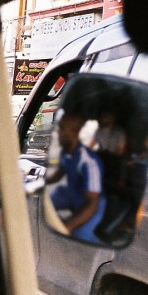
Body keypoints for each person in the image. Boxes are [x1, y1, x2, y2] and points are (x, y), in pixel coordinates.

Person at [45, 103, 106, 243]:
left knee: (81, 236)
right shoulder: (65, 151)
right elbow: (61, 171)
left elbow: (92, 203)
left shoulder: (89, 161)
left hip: (91, 201)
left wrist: (68, 225)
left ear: (73, 133)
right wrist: (44, 182)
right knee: (45, 205)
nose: (57, 133)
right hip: (72, 193)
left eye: (61, 129)